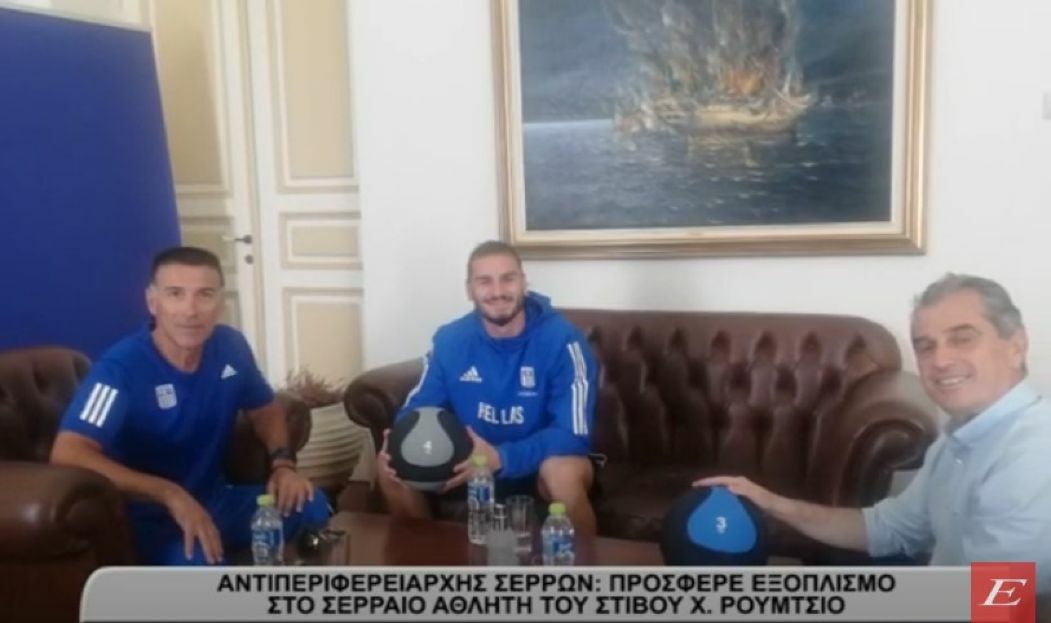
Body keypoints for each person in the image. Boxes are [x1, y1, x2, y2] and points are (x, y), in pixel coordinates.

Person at [696, 274, 1051, 591]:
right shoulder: (959, 439)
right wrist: (775, 504)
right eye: (925, 346)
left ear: (1016, 347)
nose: (940, 361)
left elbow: (1003, 602)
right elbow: (888, 529)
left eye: (963, 339)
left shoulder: (1033, 452)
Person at [50, 246, 329, 565]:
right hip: (148, 517)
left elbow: (265, 409)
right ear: (152, 302)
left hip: (214, 500)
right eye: (175, 294)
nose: (190, 310)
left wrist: (283, 465)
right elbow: (68, 452)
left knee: (311, 504)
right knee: (206, 573)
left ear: (220, 303)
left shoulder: (231, 348)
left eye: (204, 295)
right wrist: (169, 494)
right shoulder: (119, 369)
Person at [377, 240, 600, 535]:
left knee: (561, 474)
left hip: (540, 461)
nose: (497, 291)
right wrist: (400, 440)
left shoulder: (564, 340)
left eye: (508, 279)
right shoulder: (451, 340)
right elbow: (418, 408)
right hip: (470, 462)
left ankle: (585, 562)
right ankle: (427, 557)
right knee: (391, 467)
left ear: (524, 283)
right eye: (485, 281)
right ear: (469, 289)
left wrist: (501, 457)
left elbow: (573, 434)